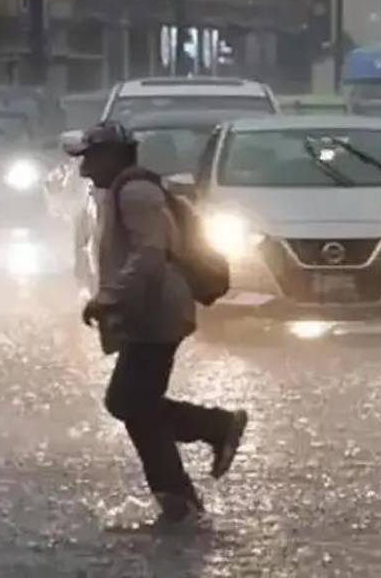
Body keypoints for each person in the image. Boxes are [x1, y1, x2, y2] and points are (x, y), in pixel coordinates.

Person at [65, 121, 248, 523]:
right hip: (147, 311)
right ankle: (176, 494)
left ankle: (215, 429)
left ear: (114, 156)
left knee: (129, 401)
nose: (83, 168)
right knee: (136, 404)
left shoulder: (136, 193)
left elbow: (151, 253)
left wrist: (109, 299)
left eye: (90, 158)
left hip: (156, 312)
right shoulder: (127, 191)